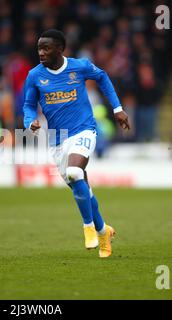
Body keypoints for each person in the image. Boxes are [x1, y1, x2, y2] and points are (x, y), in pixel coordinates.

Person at [23, 29, 130, 258]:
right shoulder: (34, 75)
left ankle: (88, 228)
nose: (41, 52)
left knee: (74, 172)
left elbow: (102, 77)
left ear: (60, 49)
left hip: (84, 129)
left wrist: (117, 109)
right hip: (57, 139)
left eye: (46, 48)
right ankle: (104, 231)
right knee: (82, 187)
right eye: (39, 48)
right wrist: (29, 120)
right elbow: (28, 105)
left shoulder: (79, 66)